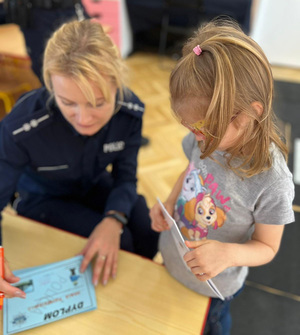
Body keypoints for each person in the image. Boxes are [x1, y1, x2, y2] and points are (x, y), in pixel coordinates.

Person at [150, 19, 295, 335]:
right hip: (173, 260)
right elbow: (190, 170)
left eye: (200, 128)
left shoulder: (271, 181)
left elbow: (267, 248)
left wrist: (227, 253)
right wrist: (171, 201)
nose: (195, 137)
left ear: (248, 116)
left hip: (215, 288)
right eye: (188, 127)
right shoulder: (204, 138)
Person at [0, 19, 158, 299]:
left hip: (94, 185)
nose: (84, 119)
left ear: (117, 85)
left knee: (147, 231)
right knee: (122, 245)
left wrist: (113, 218)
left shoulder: (131, 111)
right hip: (43, 199)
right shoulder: (21, 127)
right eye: (68, 103)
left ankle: (136, 297)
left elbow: (126, 176)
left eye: (98, 103)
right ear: (50, 87)